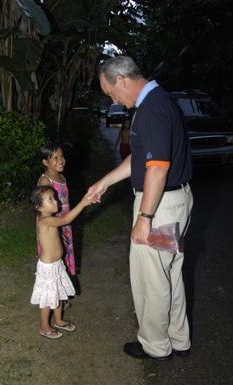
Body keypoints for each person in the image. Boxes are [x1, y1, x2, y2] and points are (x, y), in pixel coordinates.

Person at [88, 56, 193, 360]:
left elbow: (157, 169)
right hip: (172, 202)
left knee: (151, 277)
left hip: (159, 206)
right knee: (169, 271)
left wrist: (144, 218)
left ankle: (155, 345)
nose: (114, 100)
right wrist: (104, 182)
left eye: (111, 93)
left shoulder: (151, 110)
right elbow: (141, 159)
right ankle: (178, 338)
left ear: (121, 79)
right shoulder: (159, 102)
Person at [30, 185, 91, 339]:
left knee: (58, 293)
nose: (56, 201)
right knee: (48, 297)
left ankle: (58, 320)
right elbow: (66, 219)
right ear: (39, 206)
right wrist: (83, 202)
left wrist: (59, 238)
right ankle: (44, 326)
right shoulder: (45, 220)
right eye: (51, 199)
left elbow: (51, 233)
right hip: (48, 267)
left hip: (57, 264)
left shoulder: (48, 220)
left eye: (55, 197)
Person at [37, 143, 78, 309]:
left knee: (64, 259)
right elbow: (41, 209)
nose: (61, 161)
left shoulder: (62, 178)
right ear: (46, 162)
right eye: (55, 158)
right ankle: (51, 295)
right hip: (52, 227)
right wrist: (55, 229)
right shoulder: (45, 180)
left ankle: (61, 293)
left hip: (64, 224)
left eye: (62, 157)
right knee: (54, 260)